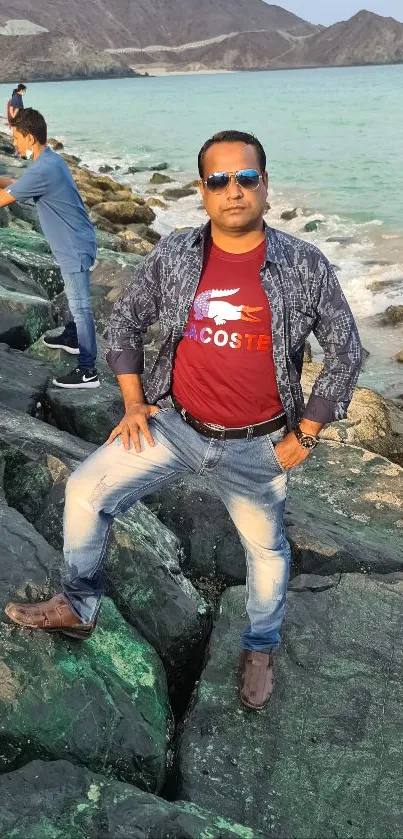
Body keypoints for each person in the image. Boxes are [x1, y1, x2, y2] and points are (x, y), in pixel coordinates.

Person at [5, 130, 363, 710]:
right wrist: (132, 402)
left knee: (267, 552)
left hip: (258, 446)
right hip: (174, 424)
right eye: (219, 180)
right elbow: (123, 324)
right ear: (202, 190)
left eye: (246, 178)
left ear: (266, 186)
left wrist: (308, 432)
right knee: (83, 490)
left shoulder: (304, 264)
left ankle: (260, 644)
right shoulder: (175, 254)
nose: (234, 191)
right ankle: (79, 602)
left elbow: (346, 351)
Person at [0, 108, 99, 388]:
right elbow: (18, 185)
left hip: (75, 246)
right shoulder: (50, 161)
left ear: (30, 138)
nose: (15, 143)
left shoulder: (43, 169)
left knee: (81, 307)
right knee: (71, 295)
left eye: (17, 138)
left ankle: (88, 370)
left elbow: (4, 199)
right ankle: (71, 336)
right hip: (77, 240)